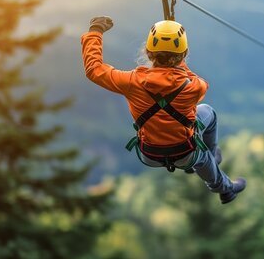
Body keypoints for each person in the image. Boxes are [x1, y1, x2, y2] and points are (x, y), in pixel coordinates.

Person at [81, 15, 246, 204]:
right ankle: (225, 189)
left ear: (149, 53)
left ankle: (213, 162)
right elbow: (195, 80)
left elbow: (94, 69)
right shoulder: (193, 87)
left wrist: (95, 31)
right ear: (183, 55)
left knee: (201, 144)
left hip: (149, 153)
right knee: (207, 117)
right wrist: (177, 62)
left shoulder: (131, 83)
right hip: (185, 153)